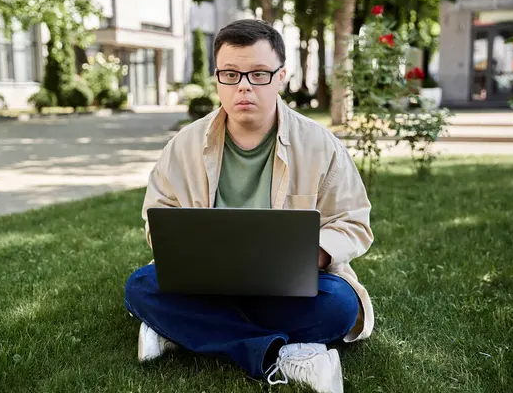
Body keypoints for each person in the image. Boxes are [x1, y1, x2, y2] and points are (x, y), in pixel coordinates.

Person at [124, 19, 374, 393]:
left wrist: (311, 257)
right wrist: (185, 254)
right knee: (140, 285)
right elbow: (157, 217)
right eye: (230, 74)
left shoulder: (322, 146)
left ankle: (181, 329)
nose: (243, 85)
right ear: (217, 79)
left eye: (258, 73)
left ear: (281, 77)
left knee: (340, 306)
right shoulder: (185, 145)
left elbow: (353, 224)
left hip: (286, 287)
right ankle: (282, 356)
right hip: (205, 282)